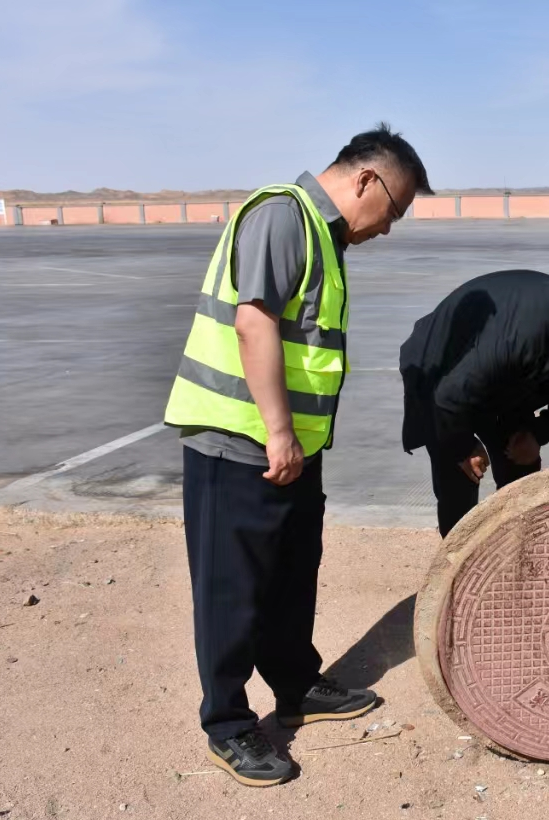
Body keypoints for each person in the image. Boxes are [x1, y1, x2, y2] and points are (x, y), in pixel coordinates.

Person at [163, 123, 432, 788]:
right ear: (366, 180)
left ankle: (295, 686)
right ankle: (227, 724)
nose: (388, 227)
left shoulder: (324, 234)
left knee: (290, 576)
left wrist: (297, 443)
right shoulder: (284, 215)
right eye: (393, 210)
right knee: (233, 590)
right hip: (241, 444)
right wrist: (278, 431)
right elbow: (253, 322)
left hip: (292, 451)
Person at [400, 270, 549, 536]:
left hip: (508, 381)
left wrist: (538, 432)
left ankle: (517, 551)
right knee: (460, 475)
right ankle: (455, 562)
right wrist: (462, 447)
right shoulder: (517, 339)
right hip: (442, 371)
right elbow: (447, 398)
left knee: (522, 464)